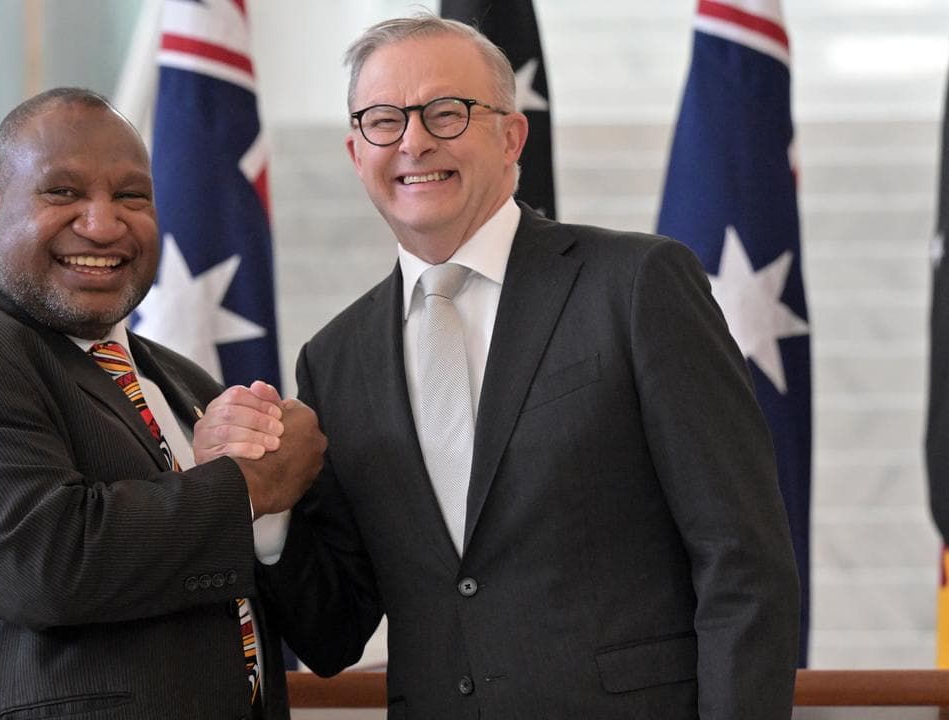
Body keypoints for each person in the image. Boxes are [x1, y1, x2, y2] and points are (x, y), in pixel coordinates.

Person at [213, 14, 800, 719]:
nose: (414, 140)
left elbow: (742, 560)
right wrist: (267, 511)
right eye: (382, 120)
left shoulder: (636, 285)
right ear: (354, 150)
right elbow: (334, 633)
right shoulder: (336, 358)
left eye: (447, 112)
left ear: (511, 136)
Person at [0, 87, 324, 720]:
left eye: (132, 196)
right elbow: (47, 565)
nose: (103, 225)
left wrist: (273, 518)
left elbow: (323, 631)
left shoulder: (185, 382)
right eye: (63, 193)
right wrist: (249, 487)